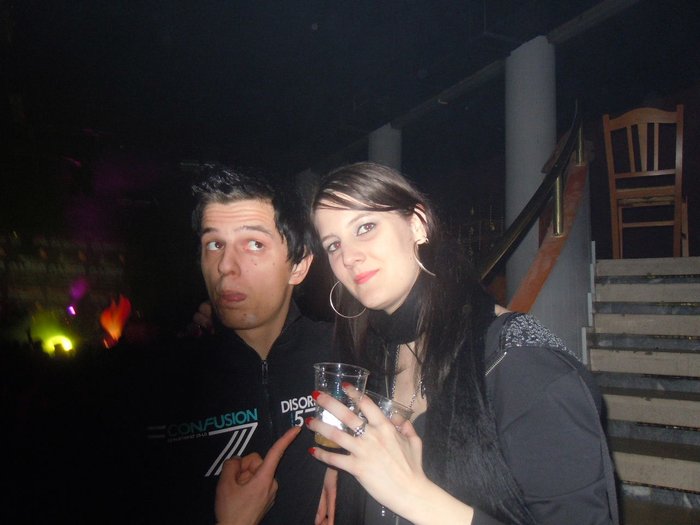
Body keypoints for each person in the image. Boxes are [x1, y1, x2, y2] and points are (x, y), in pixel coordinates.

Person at [303, 162, 618, 524]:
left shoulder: (522, 362)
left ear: (417, 224)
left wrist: (413, 495)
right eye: (333, 245)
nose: (348, 256)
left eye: (365, 227)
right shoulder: (375, 350)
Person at [143, 165, 334, 524]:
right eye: (214, 244)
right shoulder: (158, 384)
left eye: (254, 244)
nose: (225, 267)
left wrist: (339, 463)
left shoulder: (340, 354)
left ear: (299, 265)